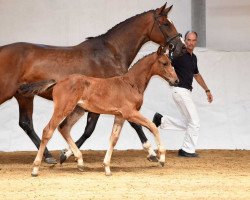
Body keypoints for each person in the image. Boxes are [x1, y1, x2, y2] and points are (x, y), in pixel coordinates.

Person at [153, 31, 213, 157]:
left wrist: (207, 90)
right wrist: (166, 50)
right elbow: (167, 60)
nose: (191, 43)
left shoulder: (193, 58)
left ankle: (161, 120)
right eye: (188, 40)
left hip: (185, 92)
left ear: (196, 42)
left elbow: (196, 75)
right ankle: (187, 150)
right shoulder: (179, 54)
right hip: (180, 90)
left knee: (190, 123)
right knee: (195, 122)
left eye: (193, 40)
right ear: (185, 40)